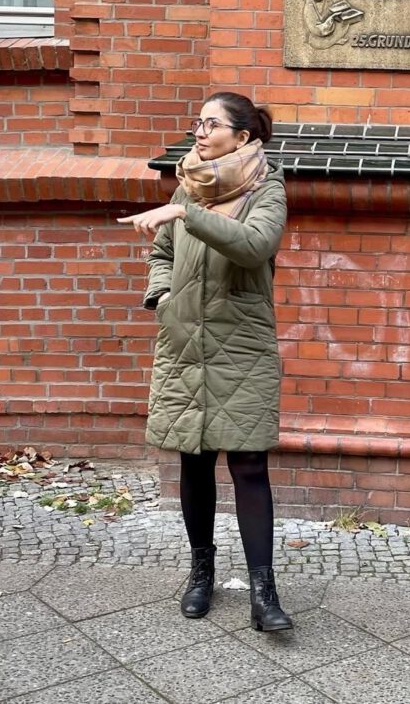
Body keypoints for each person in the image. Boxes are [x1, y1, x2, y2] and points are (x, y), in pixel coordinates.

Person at [118, 91, 292, 632]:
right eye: (198, 122)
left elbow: (255, 246)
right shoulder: (186, 186)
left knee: (249, 463)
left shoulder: (267, 187)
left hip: (241, 345)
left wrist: (186, 213)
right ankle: (201, 573)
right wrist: (162, 297)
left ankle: (264, 592)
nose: (199, 131)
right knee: (193, 460)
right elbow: (162, 253)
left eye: (212, 124)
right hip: (184, 344)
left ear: (242, 136)